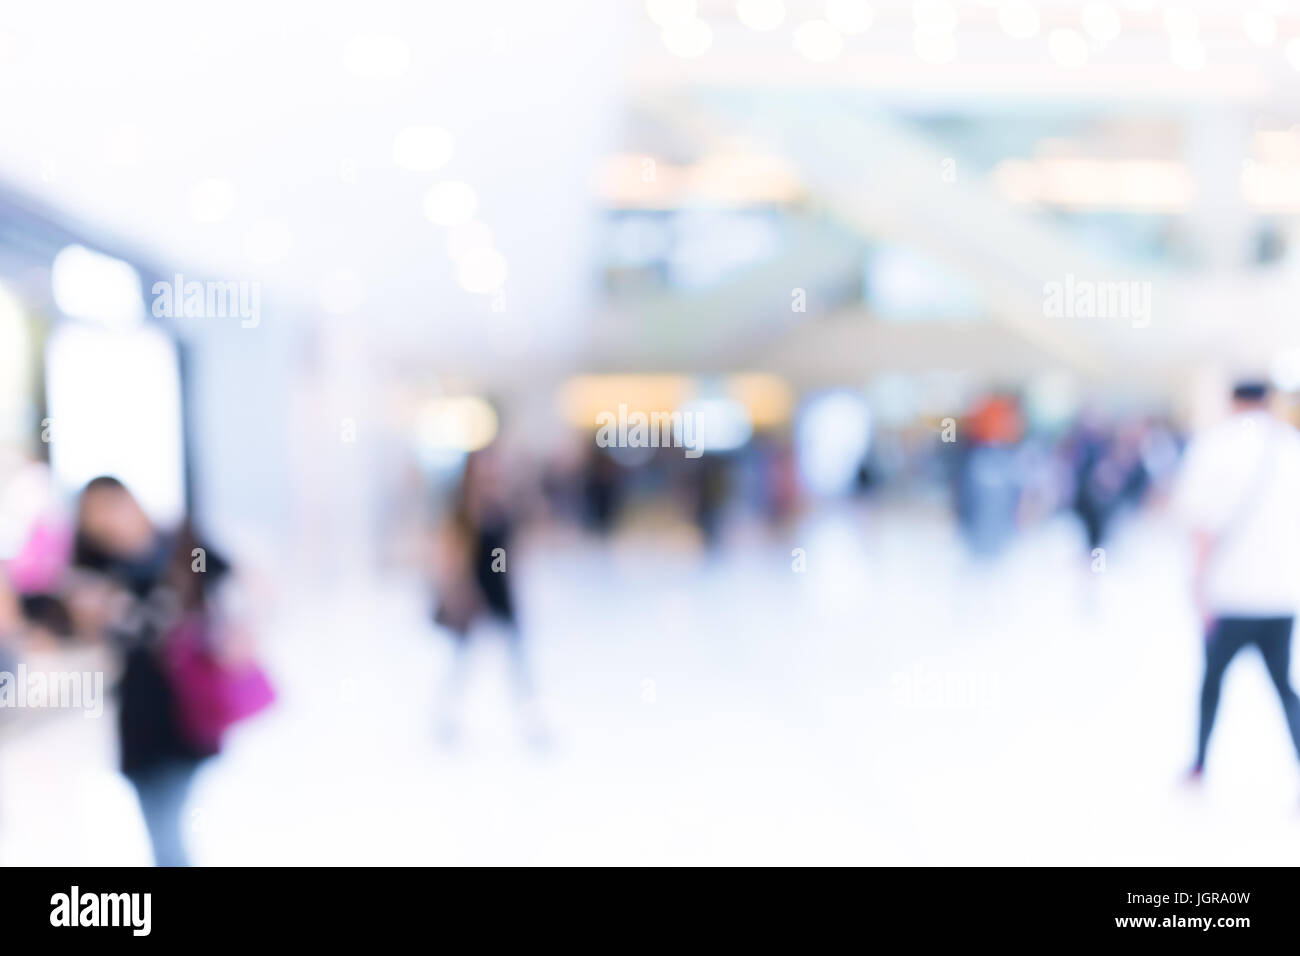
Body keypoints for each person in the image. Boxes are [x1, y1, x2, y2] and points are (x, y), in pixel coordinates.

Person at [70, 476, 234, 865]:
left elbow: (236, 587)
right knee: (161, 826)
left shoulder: (181, 546)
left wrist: (229, 632)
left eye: (111, 507)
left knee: (166, 831)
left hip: (187, 708)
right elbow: (81, 634)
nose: (107, 522)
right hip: (139, 714)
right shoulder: (95, 568)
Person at [1174, 381, 1300, 781]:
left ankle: (1199, 765)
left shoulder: (1215, 445)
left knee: (1211, 683)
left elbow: (1200, 525)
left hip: (1228, 593)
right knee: (1283, 687)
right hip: (1280, 593)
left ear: (1232, 400)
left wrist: (1197, 587)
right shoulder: (1291, 446)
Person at [430, 447, 545, 746]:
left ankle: (530, 721)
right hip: (474, 594)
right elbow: (453, 558)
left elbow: (507, 556)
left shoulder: (503, 508)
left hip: (500, 595)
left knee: (517, 662)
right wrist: (460, 593)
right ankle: (446, 721)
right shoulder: (463, 513)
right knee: (461, 662)